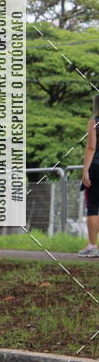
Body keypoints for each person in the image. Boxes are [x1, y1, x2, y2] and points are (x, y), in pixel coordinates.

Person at [78, 95, 99, 257]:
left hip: (96, 168)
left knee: (92, 206)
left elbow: (91, 147)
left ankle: (92, 246)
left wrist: (85, 170)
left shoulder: (94, 123)